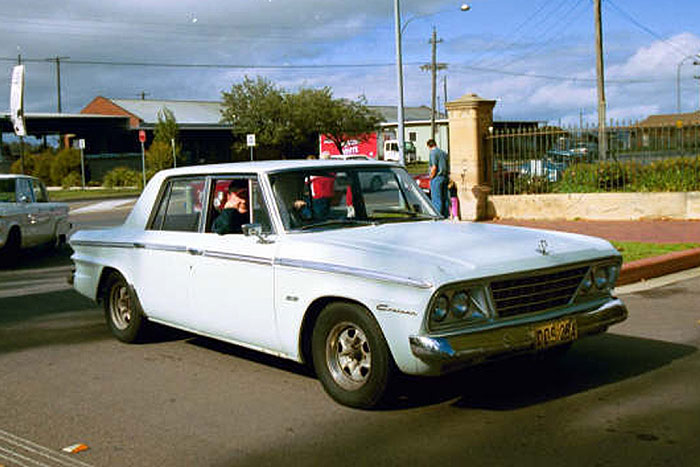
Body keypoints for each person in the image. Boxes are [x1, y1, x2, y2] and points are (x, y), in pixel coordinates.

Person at [427, 139, 450, 217]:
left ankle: (438, 215)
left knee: (436, 199)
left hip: (437, 177)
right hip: (444, 177)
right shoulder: (443, 153)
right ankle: (446, 215)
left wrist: (431, 177)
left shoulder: (433, 153)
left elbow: (434, 167)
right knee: (445, 198)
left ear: (429, 146)